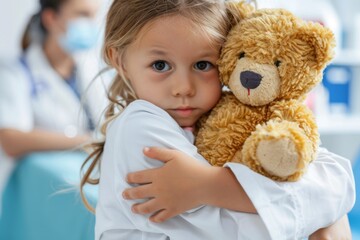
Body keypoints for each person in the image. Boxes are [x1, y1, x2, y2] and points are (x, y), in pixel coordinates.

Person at [80, 0, 355, 239]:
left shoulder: (220, 117)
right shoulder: (139, 127)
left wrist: (208, 184)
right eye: (160, 66)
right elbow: (250, 230)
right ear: (119, 60)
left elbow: (332, 170)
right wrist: (328, 209)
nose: (184, 87)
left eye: (203, 65)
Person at [0, 0, 107, 211]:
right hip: (37, 191)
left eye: (94, 15)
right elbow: (11, 139)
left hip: (83, 181)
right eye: (82, 15)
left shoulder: (93, 69)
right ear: (51, 18)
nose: (92, 24)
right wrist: (86, 141)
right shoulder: (15, 73)